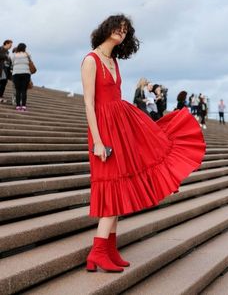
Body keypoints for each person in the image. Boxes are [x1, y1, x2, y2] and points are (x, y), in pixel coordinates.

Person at [80, 14, 206, 273]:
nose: (121, 32)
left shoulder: (113, 60)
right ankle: (98, 251)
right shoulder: (90, 60)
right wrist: (99, 141)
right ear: (106, 29)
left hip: (121, 126)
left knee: (121, 184)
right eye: (118, 28)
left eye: (125, 30)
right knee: (111, 187)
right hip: (104, 131)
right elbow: (89, 104)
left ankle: (110, 249)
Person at [11, 43, 31, 111]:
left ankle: (18, 106)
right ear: (24, 48)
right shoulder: (27, 54)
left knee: (18, 90)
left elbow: (12, 63)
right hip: (26, 73)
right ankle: (24, 106)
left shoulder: (14, 55)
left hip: (16, 73)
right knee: (24, 90)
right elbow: (30, 61)